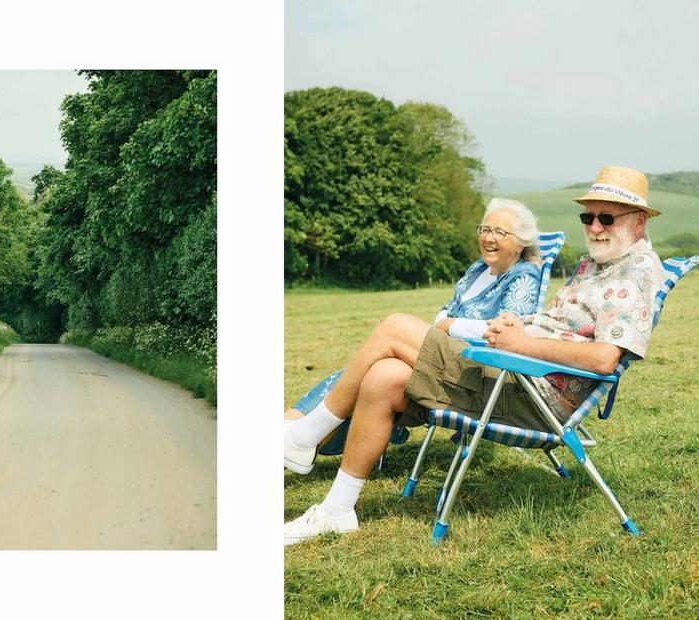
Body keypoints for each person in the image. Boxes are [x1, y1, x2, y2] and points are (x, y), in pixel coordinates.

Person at [284, 165, 664, 546]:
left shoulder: (636, 274)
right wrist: (515, 327)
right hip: (510, 372)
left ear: (639, 222)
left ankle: (305, 436)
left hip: (531, 394)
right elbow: (560, 326)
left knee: (395, 325)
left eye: (607, 218)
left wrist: (522, 344)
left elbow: (603, 359)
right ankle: (337, 510)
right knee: (384, 376)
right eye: (589, 216)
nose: (595, 227)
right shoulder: (595, 265)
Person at [284, 198, 543, 467]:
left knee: (390, 331)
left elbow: (506, 333)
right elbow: (445, 310)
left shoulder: (522, 277)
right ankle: (292, 436)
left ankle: (299, 436)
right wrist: (446, 322)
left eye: (500, 232)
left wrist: (451, 326)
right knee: (378, 370)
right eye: (485, 229)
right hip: (446, 354)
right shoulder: (479, 268)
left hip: (474, 369)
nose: (489, 238)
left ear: (520, 244)